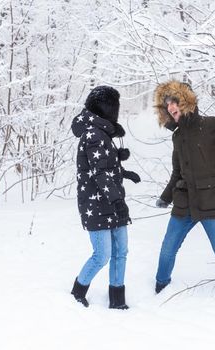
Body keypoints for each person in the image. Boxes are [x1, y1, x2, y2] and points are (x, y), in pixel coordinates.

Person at [153, 80, 215, 293]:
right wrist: (166, 197)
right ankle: (160, 286)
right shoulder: (177, 136)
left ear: (186, 102)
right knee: (168, 248)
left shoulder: (211, 124)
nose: (170, 107)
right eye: (166, 104)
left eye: (174, 101)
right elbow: (178, 172)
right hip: (184, 202)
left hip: (212, 200)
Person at [70, 85, 140, 309]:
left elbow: (104, 167)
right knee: (102, 255)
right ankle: (77, 292)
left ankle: (117, 300)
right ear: (106, 109)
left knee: (122, 252)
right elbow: (97, 173)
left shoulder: (102, 134)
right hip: (98, 204)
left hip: (111, 200)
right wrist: (118, 201)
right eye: (115, 107)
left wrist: (122, 168)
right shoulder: (93, 134)